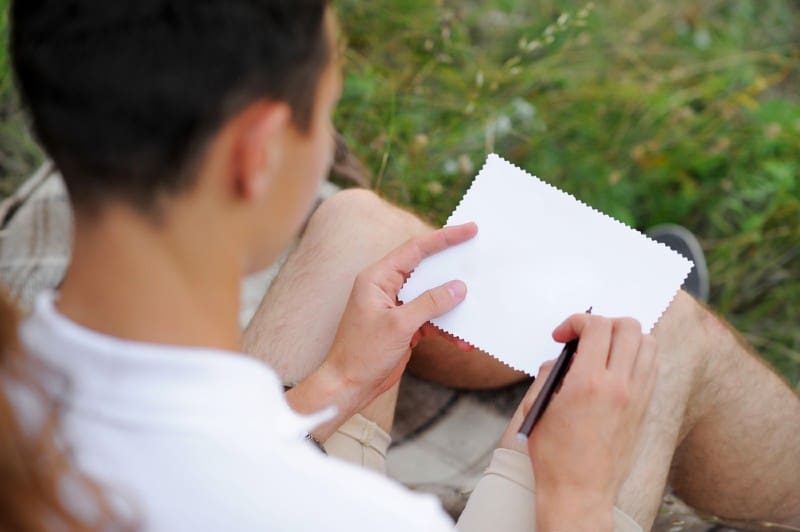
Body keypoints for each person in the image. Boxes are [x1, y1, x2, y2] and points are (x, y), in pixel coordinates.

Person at [9, 1, 800, 530]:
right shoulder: (355, 514)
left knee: (358, 223)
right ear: (256, 153)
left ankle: (535, 343)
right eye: (326, 111)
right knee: (663, 330)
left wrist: (329, 390)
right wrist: (579, 496)